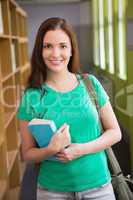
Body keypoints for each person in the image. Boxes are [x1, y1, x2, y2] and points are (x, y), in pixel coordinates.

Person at [17, 17, 122, 200]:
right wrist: (51, 149)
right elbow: (27, 154)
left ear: (72, 49)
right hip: (52, 191)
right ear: (39, 51)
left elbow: (115, 132)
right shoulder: (32, 96)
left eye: (63, 46)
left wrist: (80, 149)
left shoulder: (91, 84)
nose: (55, 53)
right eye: (48, 46)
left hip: (98, 187)